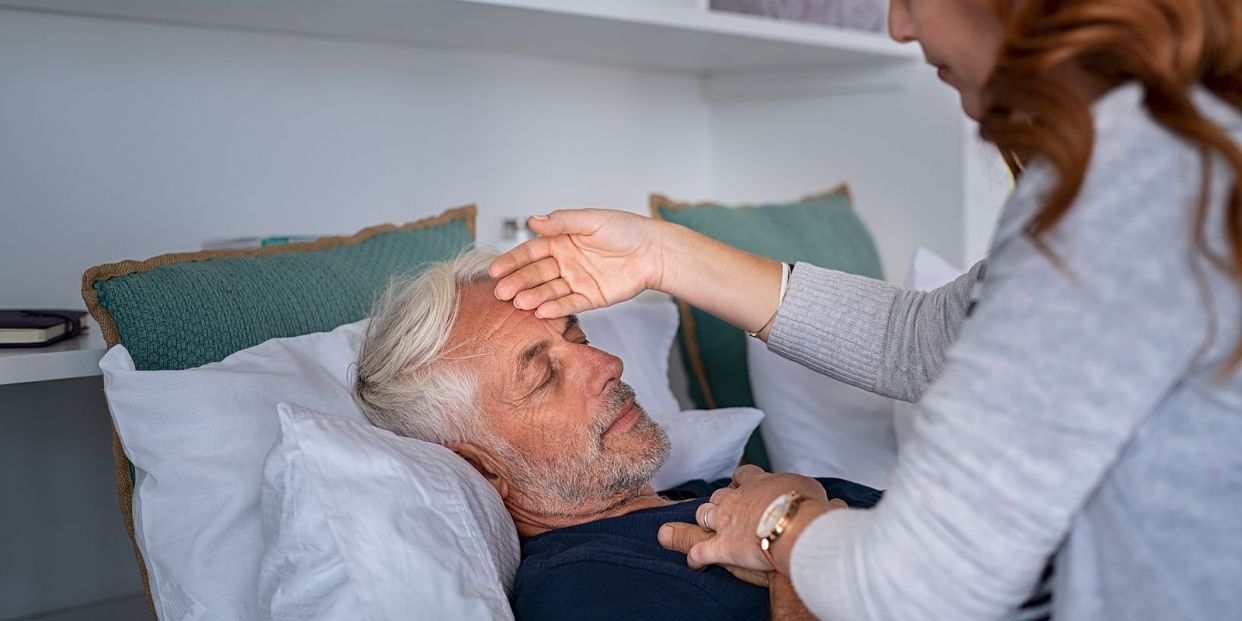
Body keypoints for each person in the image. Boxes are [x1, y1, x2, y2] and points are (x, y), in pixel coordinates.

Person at [486, 0, 1242, 618]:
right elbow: (933, 338)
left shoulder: (1126, 181)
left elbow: (921, 583)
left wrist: (785, 523)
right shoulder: (1187, 147)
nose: (898, 26)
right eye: (539, 372)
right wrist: (665, 255)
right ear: (477, 465)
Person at [352, 251, 869, 620]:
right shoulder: (585, 589)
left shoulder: (717, 493)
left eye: (578, 337)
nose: (608, 364)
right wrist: (792, 536)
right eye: (544, 378)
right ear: (486, 468)